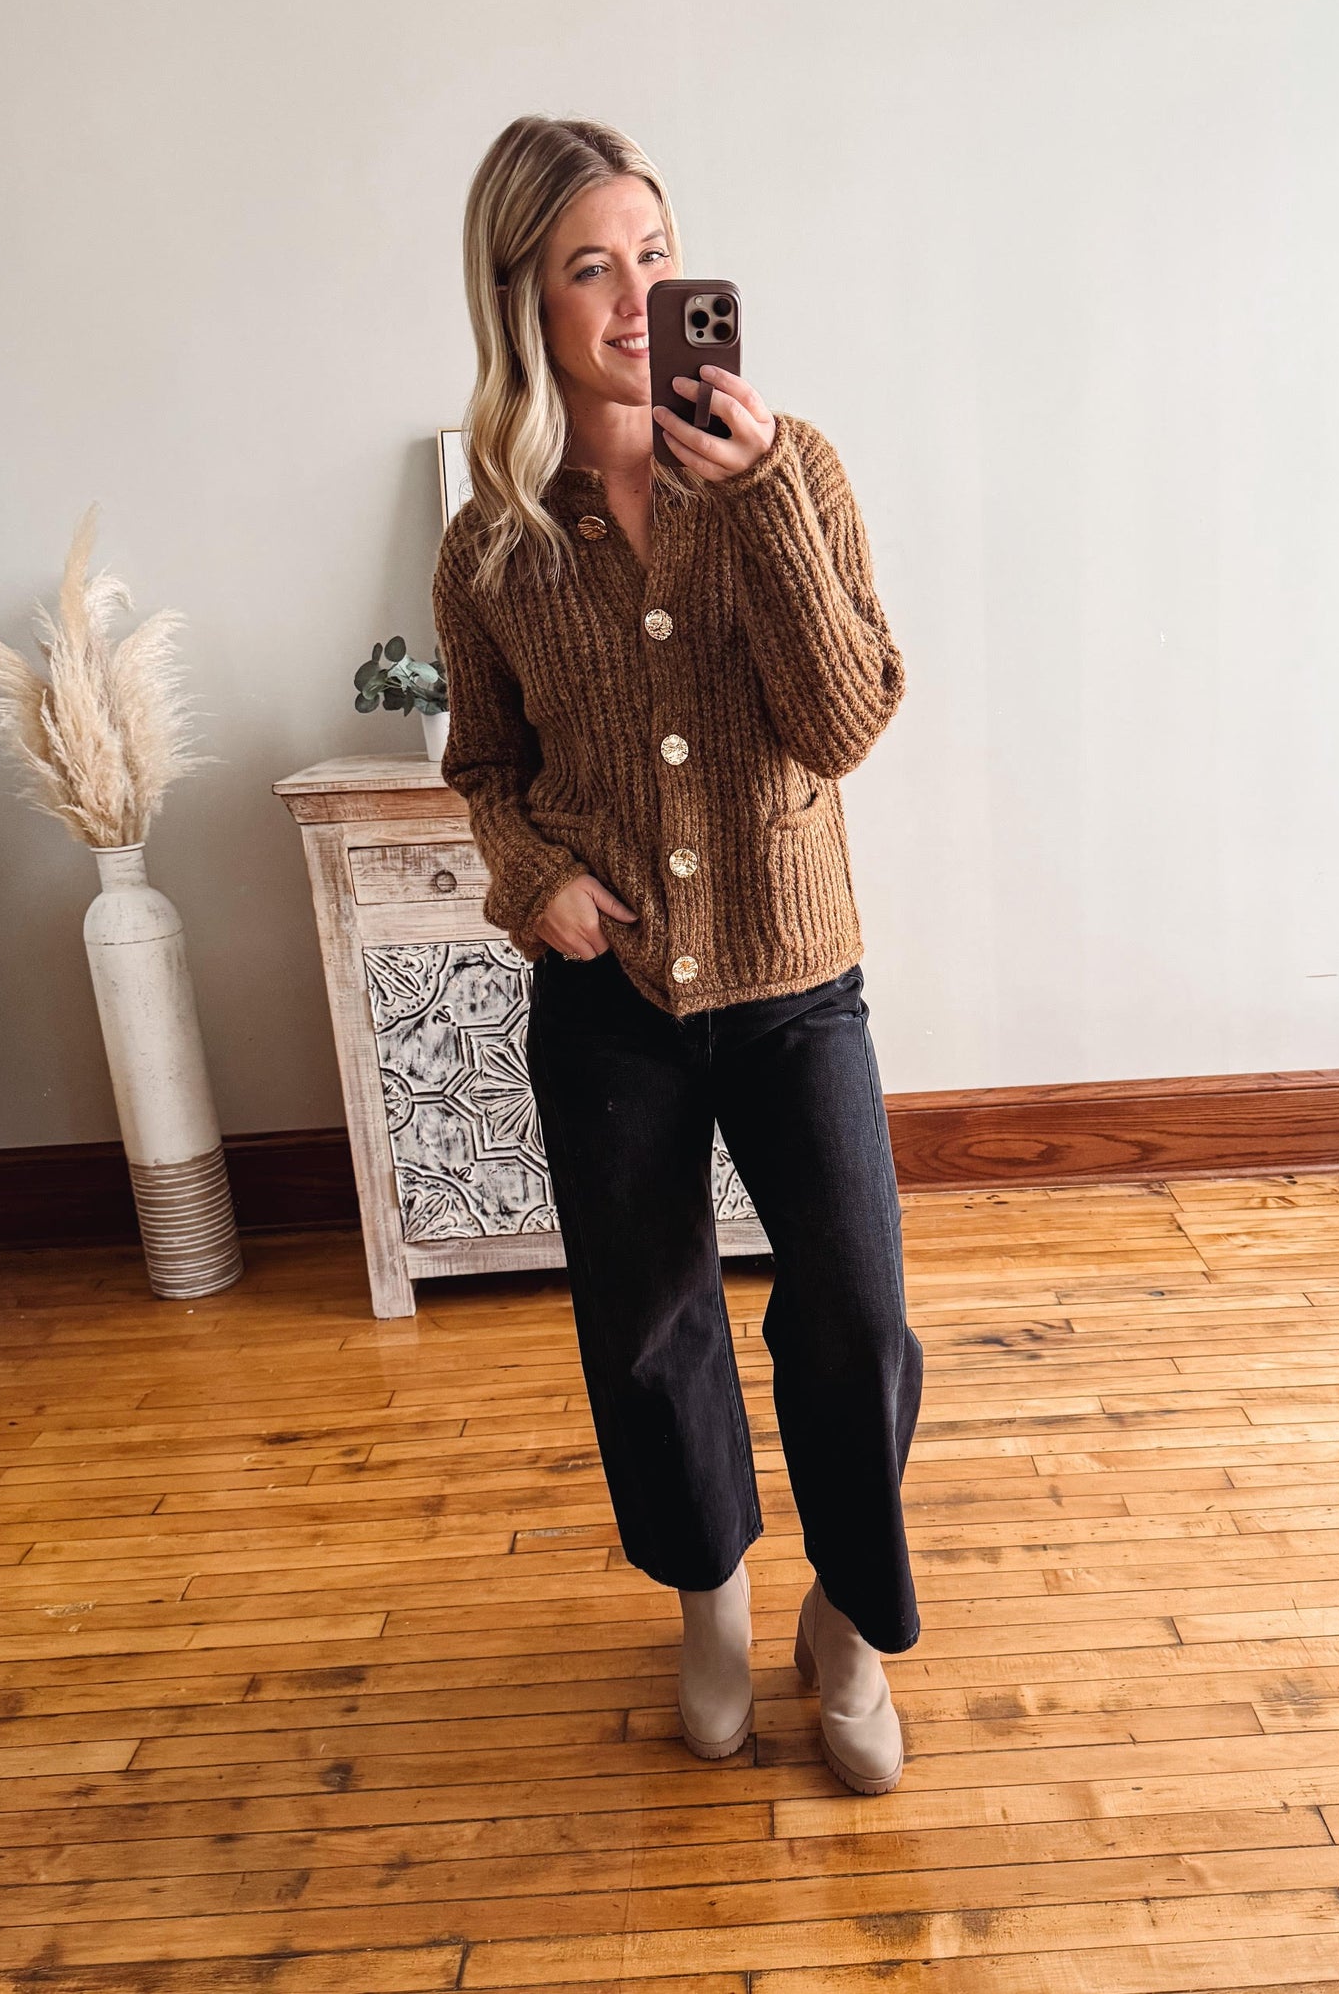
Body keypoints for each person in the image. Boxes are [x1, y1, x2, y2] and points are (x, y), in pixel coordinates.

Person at [432, 114, 923, 1795]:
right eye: (590, 267)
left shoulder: (796, 467)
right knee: (648, 1329)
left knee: (855, 1322)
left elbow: (846, 718)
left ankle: (847, 1623)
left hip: (797, 977)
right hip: (611, 998)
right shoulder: (490, 537)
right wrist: (534, 883)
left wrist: (765, 496)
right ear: (524, 305)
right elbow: (485, 770)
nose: (638, 295)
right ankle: (709, 1602)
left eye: (655, 254)